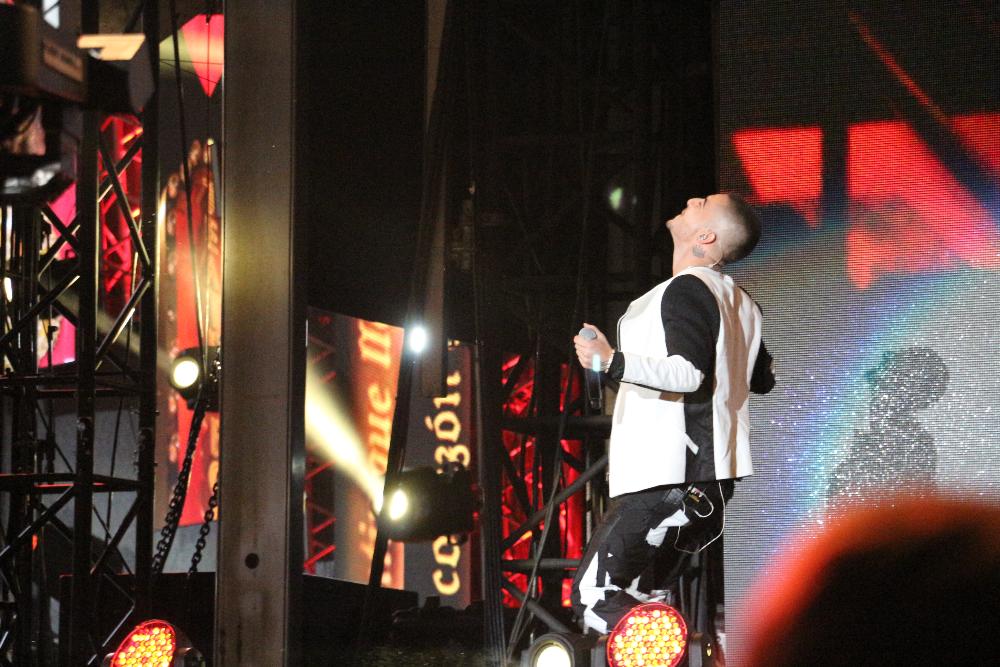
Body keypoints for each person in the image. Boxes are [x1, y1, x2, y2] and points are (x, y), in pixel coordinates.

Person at [570, 193, 775, 635]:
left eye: (703, 204)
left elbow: (688, 374)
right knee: (642, 596)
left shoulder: (687, 289)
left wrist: (611, 360)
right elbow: (761, 379)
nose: (691, 199)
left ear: (706, 236)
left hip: (673, 477)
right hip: (705, 483)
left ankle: (671, 653)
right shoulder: (741, 303)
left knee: (595, 595)